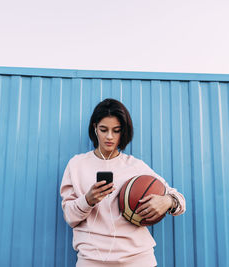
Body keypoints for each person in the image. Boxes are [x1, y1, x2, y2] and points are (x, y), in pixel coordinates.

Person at [60, 98, 186, 267]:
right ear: (94, 128)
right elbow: (70, 216)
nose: (109, 136)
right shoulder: (76, 165)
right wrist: (88, 200)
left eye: (116, 130)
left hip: (138, 259)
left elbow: (180, 201)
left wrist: (167, 201)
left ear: (123, 132)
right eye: (103, 130)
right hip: (92, 260)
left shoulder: (135, 166)